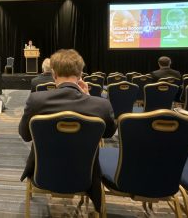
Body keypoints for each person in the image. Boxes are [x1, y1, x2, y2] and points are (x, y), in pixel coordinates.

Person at [19, 49, 116, 212]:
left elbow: (25, 135)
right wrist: (88, 97)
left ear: (54, 74)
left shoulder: (36, 101)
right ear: (81, 74)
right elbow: (108, 133)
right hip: (85, 176)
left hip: (43, 174)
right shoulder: (101, 105)